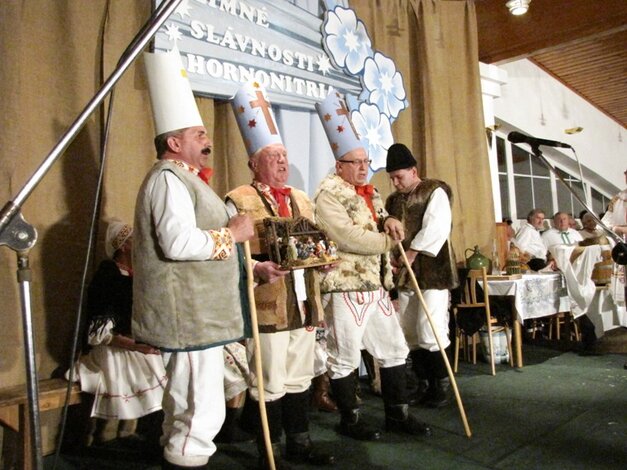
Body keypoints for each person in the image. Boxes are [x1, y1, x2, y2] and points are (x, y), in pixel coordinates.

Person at [132, 49, 254, 469]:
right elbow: (178, 244)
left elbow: (205, 250)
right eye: (198, 133)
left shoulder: (185, 180)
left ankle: (178, 455)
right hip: (188, 316)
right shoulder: (168, 180)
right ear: (174, 143)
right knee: (200, 411)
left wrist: (253, 266)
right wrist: (232, 234)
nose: (206, 140)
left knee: (188, 407)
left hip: (199, 313)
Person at [225, 82, 334, 469]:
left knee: (300, 376)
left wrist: (324, 259)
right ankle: (268, 453)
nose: (283, 162)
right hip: (267, 304)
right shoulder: (238, 199)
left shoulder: (302, 198)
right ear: (254, 163)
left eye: (285, 155)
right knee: (269, 378)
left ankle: (299, 444)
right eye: (273, 156)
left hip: (304, 302)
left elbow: (317, 242)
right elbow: (227, 255)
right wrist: (255, 267)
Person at [313, 91, 432, 441]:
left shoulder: (372, 193)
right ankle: (350, 420)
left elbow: (378, 219)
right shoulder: (328, 195)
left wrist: (390, 220)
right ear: (340, 166)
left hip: (375, 285)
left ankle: (398, 415)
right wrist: (387, 240)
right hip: (344, 285)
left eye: (366, 161)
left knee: (393, 348)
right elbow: (346, 235)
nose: (365, 167)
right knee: (345, 354)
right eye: (356, 162)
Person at [67, 219, 166, 445]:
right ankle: (104, 442)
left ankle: (153, 439)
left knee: (167, 370)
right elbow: (98, 334)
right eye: (135, 240)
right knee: (152, 374)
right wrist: (135, 345)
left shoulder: (138, 275)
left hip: (137, 346)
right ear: (123, 246)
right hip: (115, 348)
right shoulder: (109, 274)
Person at [384, 143, 459, 409]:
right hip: (405, 275)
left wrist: (412, 254)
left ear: (413, 171)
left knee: (431, 330)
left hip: (432, 272)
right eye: (391, 178)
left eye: (399, 177)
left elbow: (437, 227)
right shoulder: (393, 200)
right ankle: (423, 383)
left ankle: (441, 384)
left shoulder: (434, 190)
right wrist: (393, 259)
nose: (395, 182)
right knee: (409, 331)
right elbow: (389, 234)